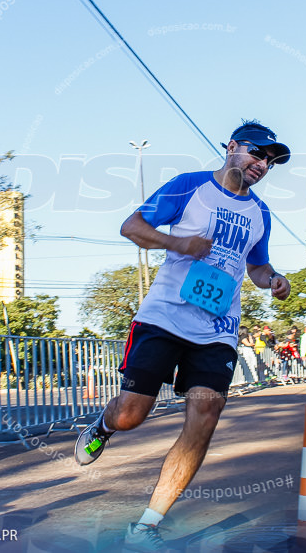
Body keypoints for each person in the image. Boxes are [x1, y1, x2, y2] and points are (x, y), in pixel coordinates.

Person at [74, 120, 292, 550]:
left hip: (218, 330)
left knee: (204, 418)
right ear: (231, 147)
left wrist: (274, 279)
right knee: (132, 414)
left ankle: (146, 527)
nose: (262, 164)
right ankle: (103, 424)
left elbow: (257, 267)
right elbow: (131, 227)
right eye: (257, 153)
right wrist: (179, 244)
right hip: (165, 317)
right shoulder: (189, 186)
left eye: (270, 160)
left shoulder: (260, 213)